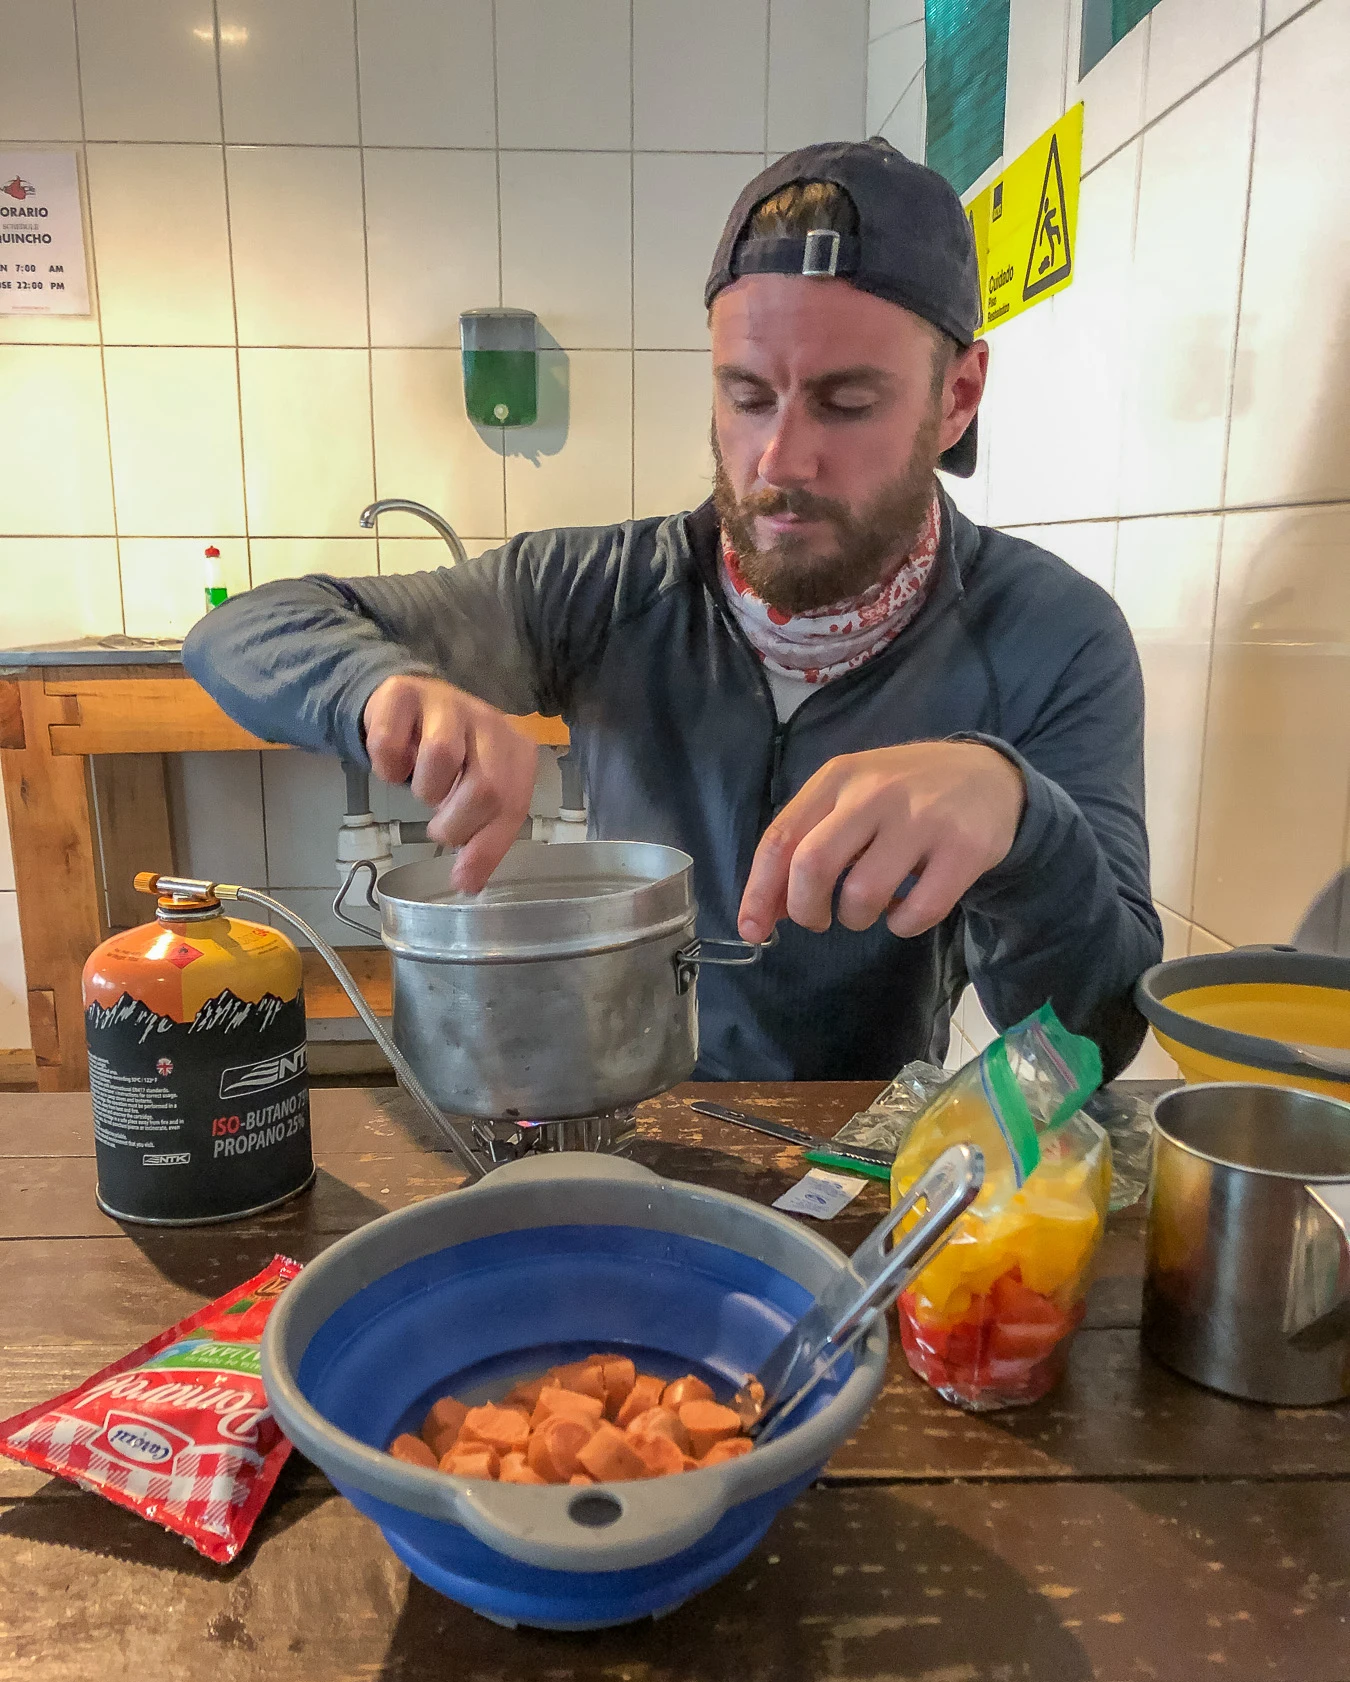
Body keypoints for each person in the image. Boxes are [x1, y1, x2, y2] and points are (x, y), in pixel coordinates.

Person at [184, 139, 1163, 1083]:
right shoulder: (601, 587)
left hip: (864, 1156)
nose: (780, 461)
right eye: (746, 397)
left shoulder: (1051, 638)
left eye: (847, 404)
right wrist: (381, 688)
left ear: (957, 396)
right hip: (618, 1116)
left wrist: (1023, 819)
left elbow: (1102, 1030)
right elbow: (243, 632)